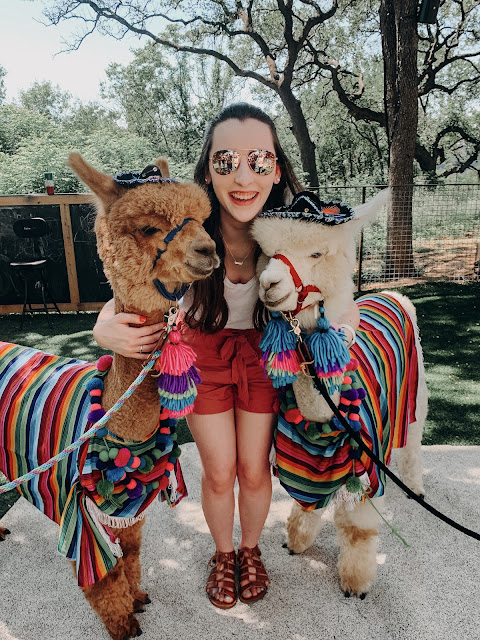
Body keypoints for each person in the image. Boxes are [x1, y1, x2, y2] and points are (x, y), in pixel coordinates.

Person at [92, 102, 360, 608]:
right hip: (201, 356)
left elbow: (339, 290)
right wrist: (103, 323)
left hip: (266, 355)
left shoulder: (294, 229)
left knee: (254, 469)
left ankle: (251, 551)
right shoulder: (189, 226)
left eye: (258, 161)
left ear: (277, 168)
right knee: (218, 471)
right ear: (207, 169)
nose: (242, 176)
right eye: (225, 161)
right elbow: (135, 280)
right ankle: (223, 554)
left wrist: (341, 329)